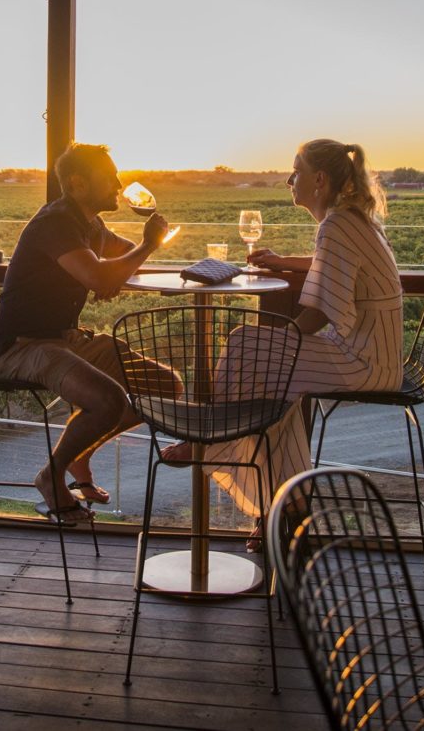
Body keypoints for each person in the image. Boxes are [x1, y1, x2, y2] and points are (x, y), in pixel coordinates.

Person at [171, 138, 404, 534]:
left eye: (296, 172)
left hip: (365, 361)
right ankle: (287, 509)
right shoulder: (350, 219)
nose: (289, 180)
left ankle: (209, 440)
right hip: (376, 355)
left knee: (249, 345)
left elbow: (320, 312)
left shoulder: (337, 224)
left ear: (319, 179)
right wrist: (283, 263)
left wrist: (281, 340)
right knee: (277, 394)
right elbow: (332, 264)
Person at [0, 142, 178, 525]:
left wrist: (112, 270)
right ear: (77, 184)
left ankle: (80, 456)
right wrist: (123, 261)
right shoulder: (55, 223)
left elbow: (120, 255)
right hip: (25, 346)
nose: (119, 185)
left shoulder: (90, 224)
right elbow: (107, 270)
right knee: (109, 400)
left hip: (66, 339)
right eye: (109, 178)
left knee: (165, 385)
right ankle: (51, 476)